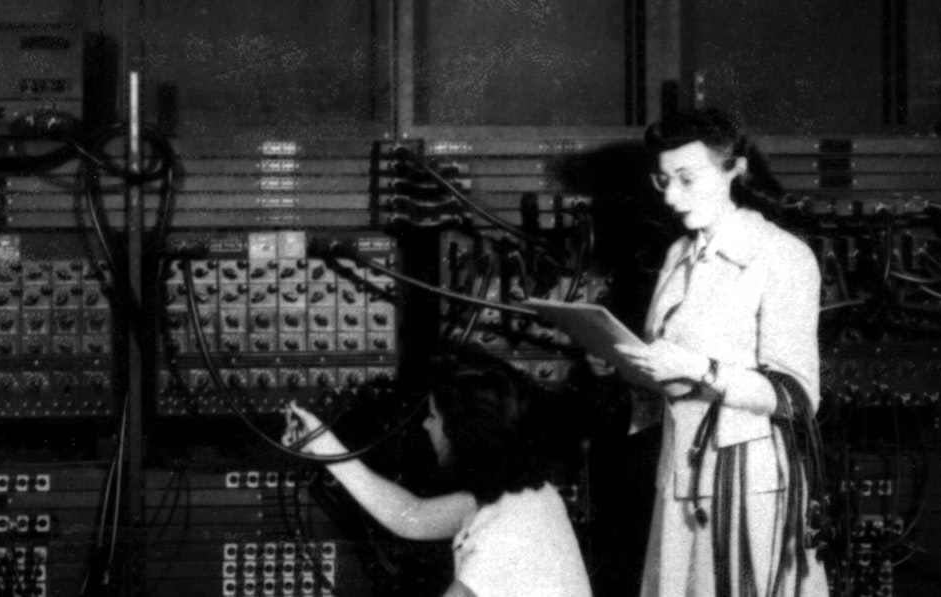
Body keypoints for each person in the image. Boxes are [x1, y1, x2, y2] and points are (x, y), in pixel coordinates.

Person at [608, 108, 828, 597]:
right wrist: (629, 364)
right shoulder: (679, 255)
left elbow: (796, 397)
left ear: (736, 169)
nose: (670, 196)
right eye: (662, 180)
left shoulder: (781, 256)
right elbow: (669, 366)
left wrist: (693, 367)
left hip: (747, 486)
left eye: (687, 179)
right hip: (682, 472)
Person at [284, 352, 591, 597]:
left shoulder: (505, 533)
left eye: (433, 416)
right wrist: (322, 444)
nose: (425, 426)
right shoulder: (528, 497)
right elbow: (409, 515)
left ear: (461, 435)